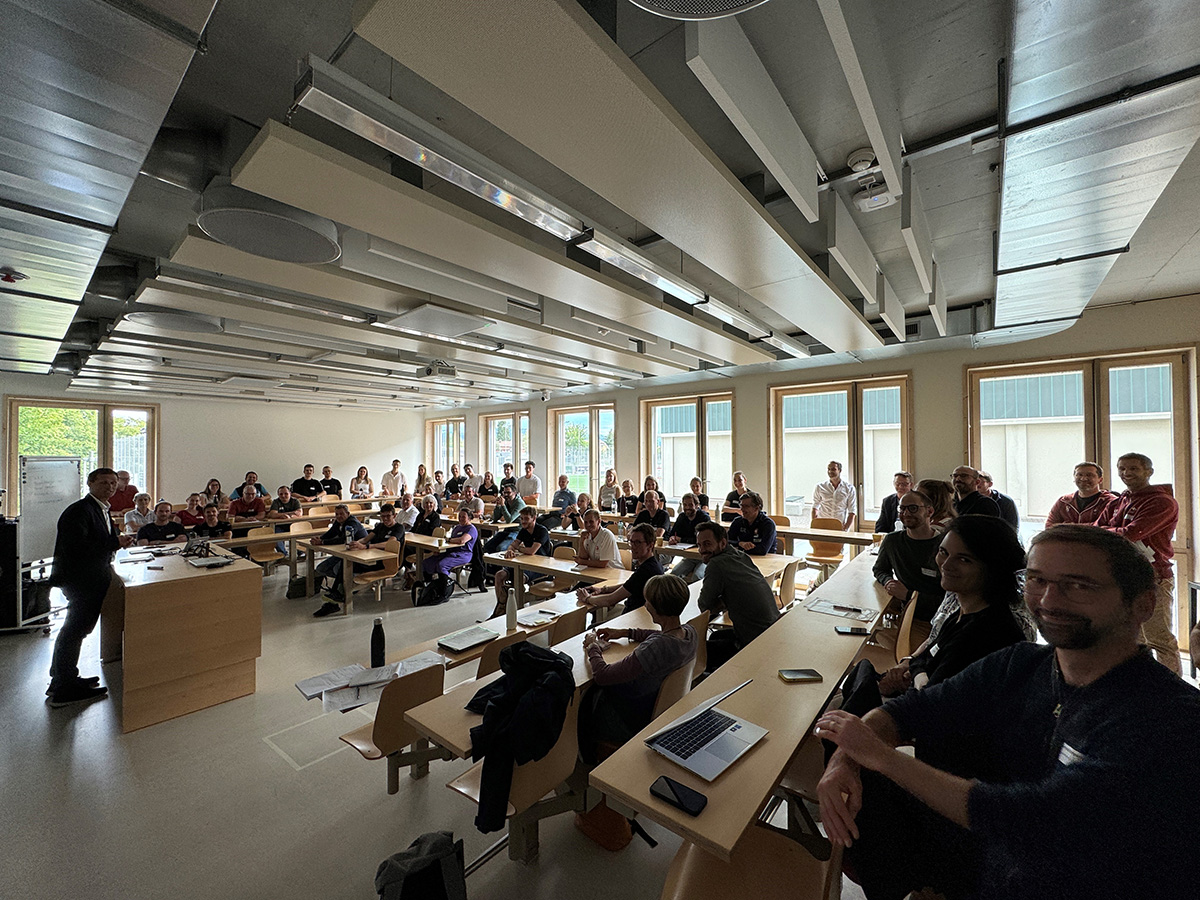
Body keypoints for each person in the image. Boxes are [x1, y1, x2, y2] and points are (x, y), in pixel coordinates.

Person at [814, 525, 1200, 900]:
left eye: (1079, 585)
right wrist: (846, 761)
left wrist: (878, 757)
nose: (1049, 599)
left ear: (1143, 604)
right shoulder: (1019, 664)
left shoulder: (1170, 717)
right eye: (1037, 580)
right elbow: (908, 711)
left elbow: (1033, 818)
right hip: (993, 873)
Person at [850, 514, 1027, 715]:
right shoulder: (960, 613)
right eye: (943, 552)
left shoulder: (988, 633)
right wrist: (915, 668)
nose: (946, 565)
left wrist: (916, 674)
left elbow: (930, 701)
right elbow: (927, 657)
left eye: (964, 559)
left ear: (994, 568)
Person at [579, 574, 698, 763]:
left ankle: (587, 756)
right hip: (661, 709)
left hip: (633, 718)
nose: (645, 604)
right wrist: (626, 632)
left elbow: (602, 675)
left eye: (648, 600)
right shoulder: (690, 633)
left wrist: (593, 646)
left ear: (655, 606)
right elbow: (659, 635)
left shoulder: (655, 649)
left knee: (588, 694)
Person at [46, 467, 135, 707]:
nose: (110, 487)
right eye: (104, 482)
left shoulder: (101, 508)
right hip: (81, 579)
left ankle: (64, 678)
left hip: (93, 576)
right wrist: (114, 542)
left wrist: (118, 541)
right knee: (75, 630)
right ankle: (64, 689)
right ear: (90, 484)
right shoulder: (79, 511)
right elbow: (77, 548)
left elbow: (102, 538)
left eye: (114, 483)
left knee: (78, 629)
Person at [1095, 451, 1181, 674]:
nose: (1126, 473)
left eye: (1133, 468)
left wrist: (1107, 531)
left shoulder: (1162, 502)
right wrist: (1110, 531)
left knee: (1159, 637)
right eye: (1122, 469)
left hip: (1153, 576)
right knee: (1132, 637)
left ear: (1149, 472)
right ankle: (1139, 684)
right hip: (1122, 575)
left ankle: (1171, 686)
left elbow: (1131, 533)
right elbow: (1096, 528)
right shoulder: (1120, 500)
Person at [696, 520, 779, 670]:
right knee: (715, 636)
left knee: (697, 654)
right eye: (699, 545)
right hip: (772, 632)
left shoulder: (716, 564)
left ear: (722, 543)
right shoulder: (741, 556)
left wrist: (724, 600)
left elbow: (704, 606)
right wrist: (728, 598)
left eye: (707, 544)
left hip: (753, 643)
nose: (702, 550)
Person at [872, 489, 945, 621]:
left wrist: (908, 595)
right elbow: (879, 569)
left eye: (913, 508)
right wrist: (888, 581)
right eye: (902, 509)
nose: (906, 513)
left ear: (929, 511)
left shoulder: (944, 546)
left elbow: (948, 600)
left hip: (935, 620)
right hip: (904, 615)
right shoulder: (892, 541)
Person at [577, 523, 663, 612]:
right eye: (631, 542)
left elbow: (610, 600)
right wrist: (603, 590)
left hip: (635, 617)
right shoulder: (654, 564)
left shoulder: (645, 571)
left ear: (650, 545)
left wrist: (587, 598)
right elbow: (629, 585)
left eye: (637, 542)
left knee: (593, 619)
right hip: (638, 613)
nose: (633, 547)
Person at [491, 506, 552, 617]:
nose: (523, 521)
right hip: (524, 563)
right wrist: (510, 550)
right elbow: (513, 544)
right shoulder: (523, 531)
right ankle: (501, 605)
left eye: (526, 518)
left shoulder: (542, 531)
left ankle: (515, 609)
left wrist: (519, 548)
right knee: (499, 575)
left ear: (534, 518)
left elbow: (532, 551)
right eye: (522, 518)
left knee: (519, 578)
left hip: (540, 566)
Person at [310, 504, 370, 617]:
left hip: (358, 556)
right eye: (336, 514)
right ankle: (346, 584)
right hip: (345, 553)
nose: (339, 516)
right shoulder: (338, 522)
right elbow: (331, 533)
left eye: (341, 514)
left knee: (340, 569)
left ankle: (341, 591)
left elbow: (344, 539)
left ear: (348, 514)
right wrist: (319, 539)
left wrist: (323, 542)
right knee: (321, 568)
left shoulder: (352, 523)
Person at [420, 507, 477, 604]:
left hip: (463, 554)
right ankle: (430, 588)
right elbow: (452, 541)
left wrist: (449, 540)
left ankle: (444, 593)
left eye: (463, 517)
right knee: (427, 562)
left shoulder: (471, 529)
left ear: (469, 518)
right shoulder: (457, 528)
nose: (461, 518)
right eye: (459, 516)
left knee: (442, 565)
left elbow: (462, 540)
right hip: (450, 551)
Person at [1046, 461, 1116, 526]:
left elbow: (1109, 528)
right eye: (1079, 475)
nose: (1083, 479)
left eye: (1089, 475)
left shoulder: (1111, 502)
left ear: (1100, 480)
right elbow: (1050, 527)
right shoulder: (1064, 501)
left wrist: (1068, 527)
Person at [667, 492, 711, 582]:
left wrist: (681, 539)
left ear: (697, 505)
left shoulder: (704, 518)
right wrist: (672, 538)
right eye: (685, 505)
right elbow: (673, 533)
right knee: (673, 575)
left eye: (690, 505)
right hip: (689, 557)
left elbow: (703, 541)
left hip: (704, 557)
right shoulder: (682, 517)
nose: (687, 507)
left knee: (697, 577)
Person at [727, 490, 777, 555]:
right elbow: (726, 542)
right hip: (742, 557)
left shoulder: (768, 524)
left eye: (746, 506)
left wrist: (739, 548)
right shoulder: (737, 521)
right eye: (741, 505)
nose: (742, 509)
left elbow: (763, 549)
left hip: (764, 559)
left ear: (756, 508)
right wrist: (740, 544)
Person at [481, 483, 524, 556]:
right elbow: (494, 518)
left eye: (508, 493)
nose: (506, 495)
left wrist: (503, 505)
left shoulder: (519, 503)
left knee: (500, 548)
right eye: (504, 492)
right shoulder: (505, 501)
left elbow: (509, 520)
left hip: (517, 531)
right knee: (487, 547)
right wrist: (498, 506)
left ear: (515, 493)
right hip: (507, 530)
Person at [812, 460, 857, 530]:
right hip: (822, 525)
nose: (830, 471)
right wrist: (814, 524)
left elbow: (852, 511)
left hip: (838, 526)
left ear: (840, 470)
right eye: (829, 469)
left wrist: (846, 528)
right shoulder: (820, 487)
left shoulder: (849, 488)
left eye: (833, 469)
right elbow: (815, 507)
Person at [266, 485, 303, 554]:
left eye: (286, 494)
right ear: (278, 494)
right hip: (279, 526)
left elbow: (299, 513)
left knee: (301, 532)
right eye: (281, 494)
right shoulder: (276, 502)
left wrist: (280, 514)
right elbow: (273, 514)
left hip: (292, 525)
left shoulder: (295, 501)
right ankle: (283, 554)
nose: (283, 496)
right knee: (276, 536)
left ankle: (300, 551)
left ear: (290, 494)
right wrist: (290, 513)